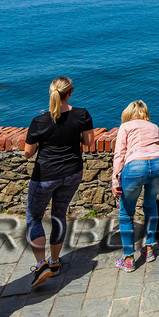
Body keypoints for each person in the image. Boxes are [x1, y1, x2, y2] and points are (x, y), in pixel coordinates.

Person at [22, 77, 96, 289]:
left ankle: (41, 264)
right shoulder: (82, 114)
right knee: (59, 214)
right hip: (72, 171)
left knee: (34, 217)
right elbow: (88, 142)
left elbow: (28, 154)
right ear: (70, 92)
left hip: (45, 175)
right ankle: (54, 262)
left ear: (51, 93)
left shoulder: (39, 121)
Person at [112, 100, 159, 271]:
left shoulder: (126, 127)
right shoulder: (154, 127)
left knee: (126, 213)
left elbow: (119, 154)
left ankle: (129, 259)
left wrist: (115, 181)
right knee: (150, 206)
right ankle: (149, 249)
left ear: (128, 113)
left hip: (135, 167)